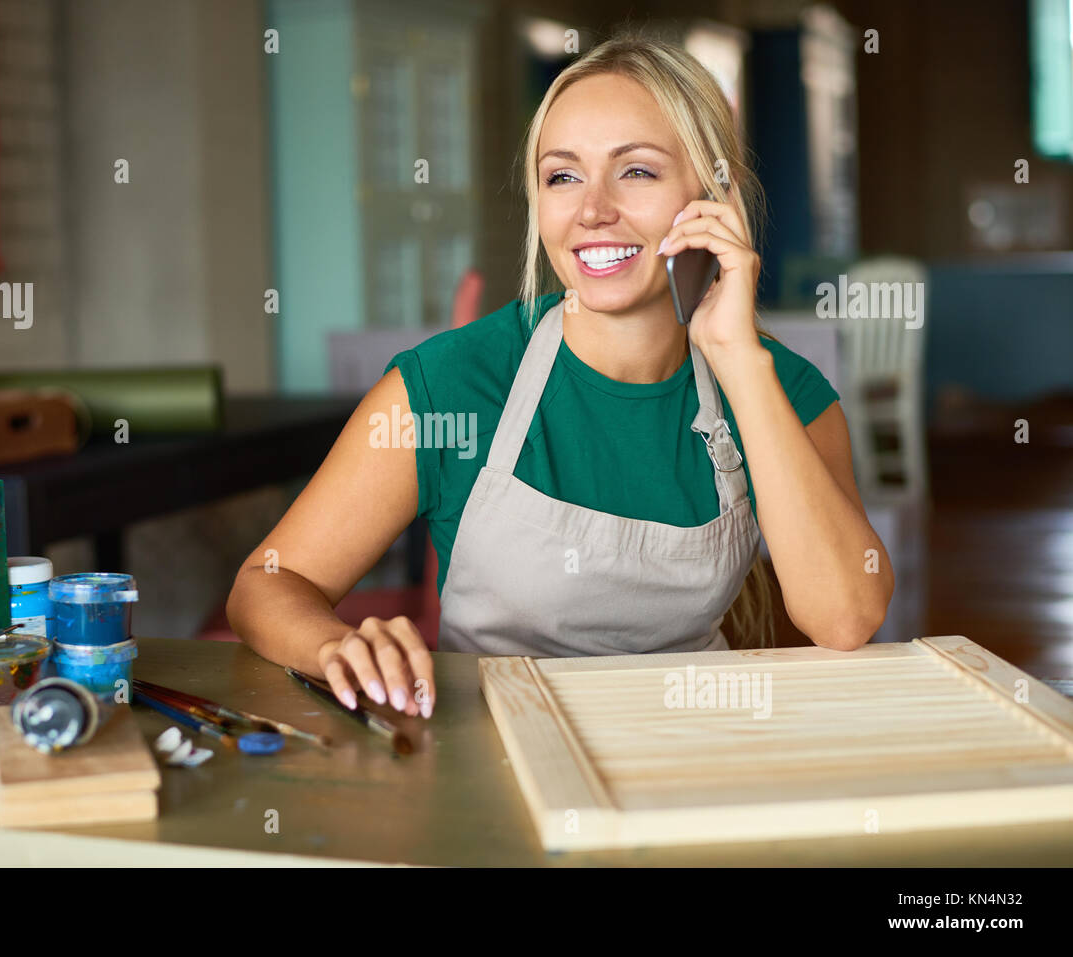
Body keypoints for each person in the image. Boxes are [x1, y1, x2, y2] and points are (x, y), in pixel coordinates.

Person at [227, 32, 894, 721]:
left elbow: (845, 616)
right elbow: (268, 583)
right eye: (562, 176)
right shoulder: (452, 385)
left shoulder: (782, 389)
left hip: (696, 753)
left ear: (708, 195)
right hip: (490, 766)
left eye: (636, 171)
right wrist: (335, 645)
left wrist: (739, 357)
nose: (592, 210)